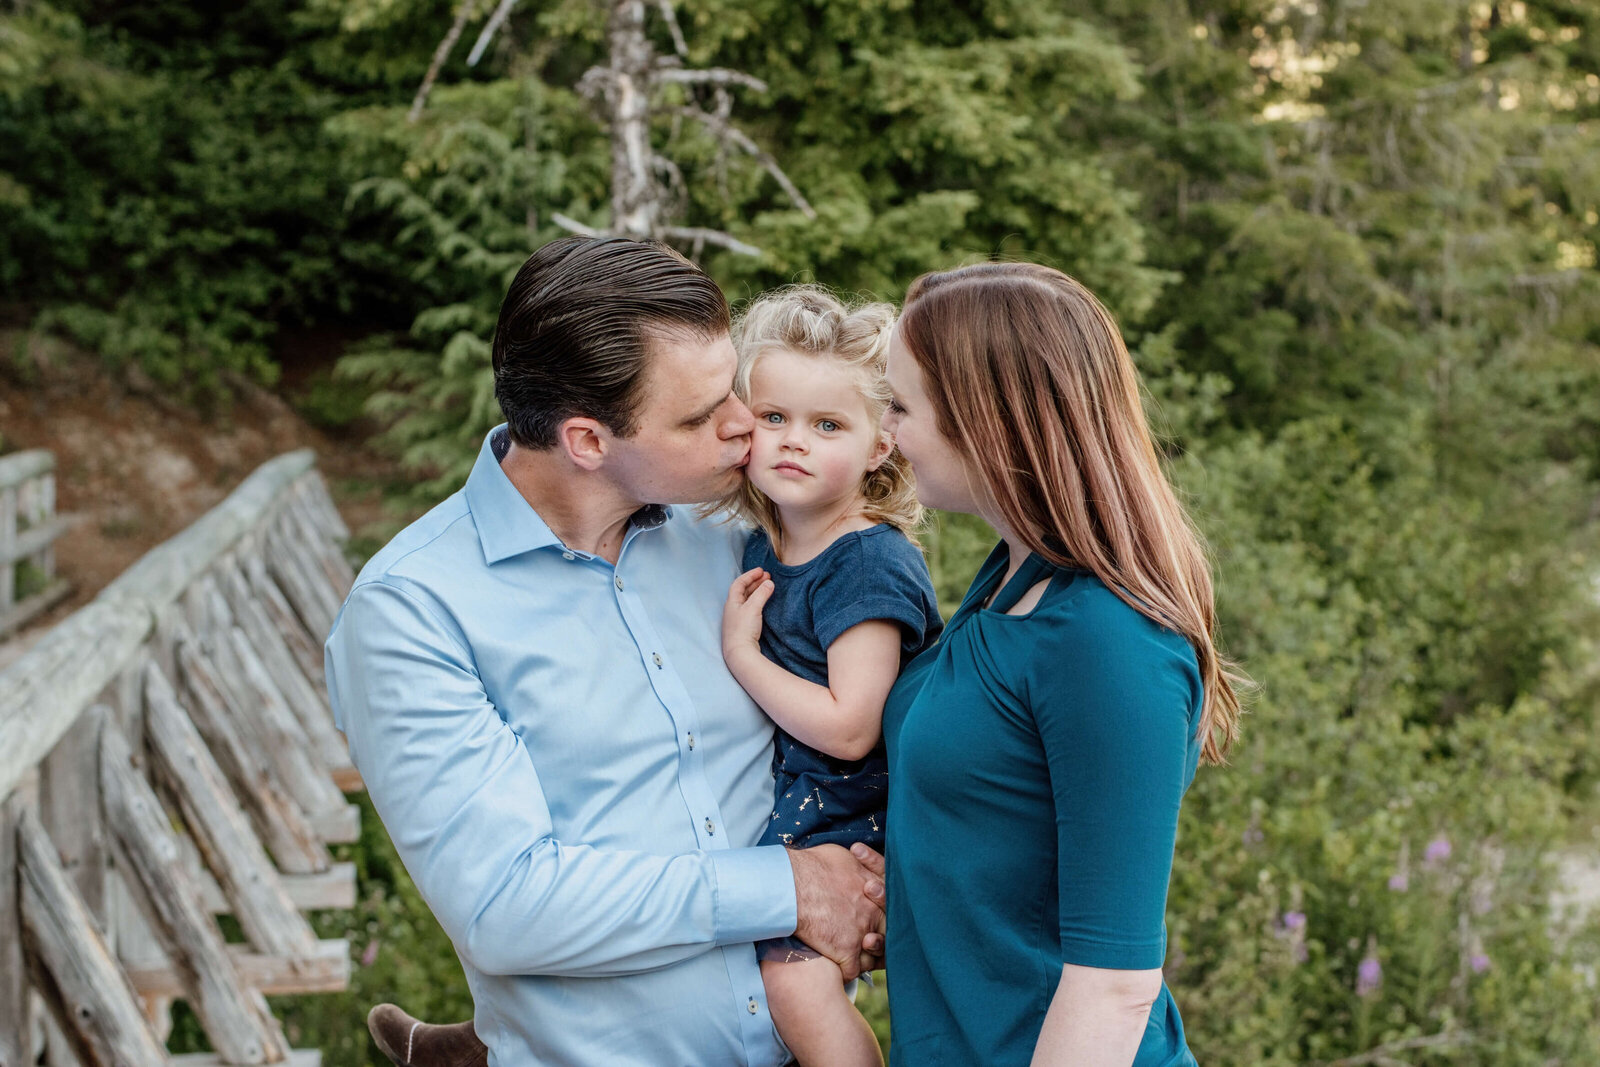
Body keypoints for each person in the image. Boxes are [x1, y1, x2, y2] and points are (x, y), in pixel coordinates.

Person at [324, 235, 888, 1067]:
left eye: (733, 386)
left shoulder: (738, 530)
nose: (745, 426)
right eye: (701, 416)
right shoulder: (413, 610)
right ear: (588, 440)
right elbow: (506, 903)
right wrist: (794, 889)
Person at [878, 261, 1246, 1066]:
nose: (886, 434)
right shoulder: (1010, 581)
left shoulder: (1109, 639)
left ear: (986, 420)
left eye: (901, 407)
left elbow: (1114, 982)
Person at [712, 287, 942, 1066]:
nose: (794, 442)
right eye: (774, 417)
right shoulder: (763, 540)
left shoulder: (866, 562)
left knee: (794, 980)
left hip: (854, 803)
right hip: (798, 793)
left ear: (881, 446)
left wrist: (742, 658)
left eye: (828, 425)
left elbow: (853, 725)